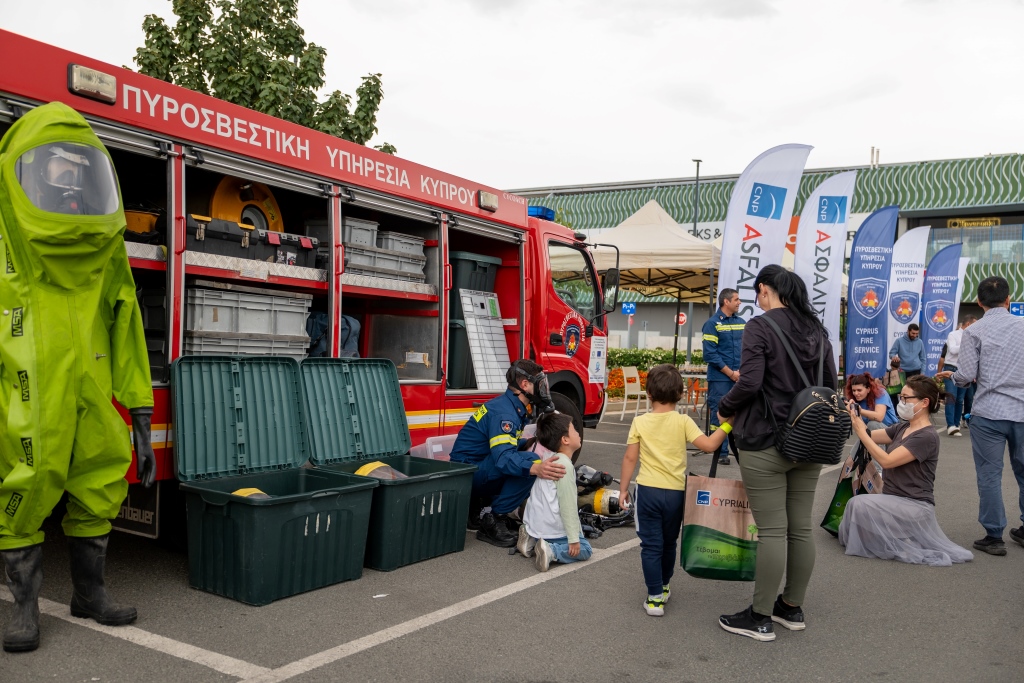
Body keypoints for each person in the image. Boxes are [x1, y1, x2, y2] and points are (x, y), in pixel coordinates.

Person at [0, 103, 156, 653]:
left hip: (90, 381)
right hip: (27, 383)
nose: (70, 183)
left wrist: (139, 408)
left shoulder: (103, 238)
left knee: (100, 474)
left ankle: (90, 592)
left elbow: (125, 316)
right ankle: (22, 608)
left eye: (77, 170)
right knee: (27, 479)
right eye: (58, 170)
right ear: (30, 171)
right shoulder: (7, 228)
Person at [716, 264, 837, 642]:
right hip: (812, 439)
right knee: (800, 527)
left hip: (766, 439)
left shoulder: (760, 326)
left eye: (757, 293)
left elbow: (749, 382)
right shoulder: (818, 331)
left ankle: (760, 616)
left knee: (772, 530)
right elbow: (831, 385)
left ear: (766, 290)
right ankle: (791, 607)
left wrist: (724, 407)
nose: (756, 300)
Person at [617, 364, 731, 617]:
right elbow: (710, 445)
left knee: (651, 545)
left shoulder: (640, 421)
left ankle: (655, 597)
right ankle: (665, 585)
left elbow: (629, 459)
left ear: (648, 393)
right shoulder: (683, 421)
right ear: (680, 394)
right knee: (669, 542)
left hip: (648, 491)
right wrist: (727, 425)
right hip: (677, 493)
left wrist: (623, 489)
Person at [840, 376, 973, 566]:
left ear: (924, 402)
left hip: (915, 505)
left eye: (905, 398)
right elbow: (870, 436)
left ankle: (900, 538)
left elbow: (886, 461)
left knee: (858, 504)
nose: (900, 403)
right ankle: (895, 537)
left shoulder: (927, 436)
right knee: (856, 506)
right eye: (900, 398)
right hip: (893, 499)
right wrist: (854, 415)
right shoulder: (903, 427)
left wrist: (862, 432)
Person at [937, 276, 1024, 556]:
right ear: (1009, 299)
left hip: (989, 412)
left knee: (989, 474)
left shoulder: (974, 332)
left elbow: (965, 377)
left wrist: (952, 375)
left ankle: (994, 535)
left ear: (979, 301)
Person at [450, 359, 565, 548]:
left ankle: (475, 508)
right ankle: (494, 519)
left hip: (468, 468)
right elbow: (503, 459)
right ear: (525, 384)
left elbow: (498, 444)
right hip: (465, 473)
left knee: (523, 455)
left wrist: (524, 442)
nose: (543, 389)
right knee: (530, 461)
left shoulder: (507, 405)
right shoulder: (505, 414)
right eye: (539, 383)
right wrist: (536, 468)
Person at [517, 412, 593, 572]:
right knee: (585, 548)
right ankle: (552, 552)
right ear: (565, 440)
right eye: (574, 430)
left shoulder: (548, 458)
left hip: (534, 525)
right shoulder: (564, 466)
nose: (578, 433)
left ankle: (530, 539)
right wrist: (573, 539)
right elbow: (568, 505)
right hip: (551, 529)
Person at [701, 287, 745, 466]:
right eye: (736, 299)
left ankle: (740, 448)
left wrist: (742, 372)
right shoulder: (712, 324)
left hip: (739, 377)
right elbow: (710, 354)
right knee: (719, 414)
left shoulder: (742, 322)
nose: (739, 302)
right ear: (726, 302)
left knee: (741, 412)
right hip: (721, 378)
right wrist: (731, 373)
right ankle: (720, 451)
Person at [937, 316, 977, 436]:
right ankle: (950, 425)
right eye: (975, 324)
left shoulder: (974, 338)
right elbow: (953, 350)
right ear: (968, 324)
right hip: (951, 368)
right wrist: (967, 345)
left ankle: (957, 424)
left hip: (964, 369)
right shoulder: (953, 334)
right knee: (952, 397)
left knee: (960, 399)